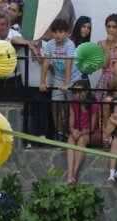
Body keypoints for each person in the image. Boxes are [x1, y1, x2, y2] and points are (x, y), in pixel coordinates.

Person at [40, 18, 77, 146]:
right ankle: (59, 132)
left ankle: (69, 132)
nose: (58, 35)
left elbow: (68, 64)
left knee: (70, 107)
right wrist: (42, 82)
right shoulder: (50, 44)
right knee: (55, 104)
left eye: (61, 32)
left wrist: (67, 83)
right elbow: (45, 62)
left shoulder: (70, 45)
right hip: (58, 77)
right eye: (55, 32)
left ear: (66, 32)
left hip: (73, 78)